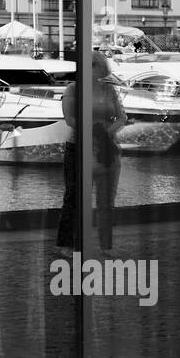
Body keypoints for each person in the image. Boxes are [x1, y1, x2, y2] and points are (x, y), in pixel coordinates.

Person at [56, 51, 125, 254]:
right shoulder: (73, 89)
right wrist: (93, 132)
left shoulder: (109, 90)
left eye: (99, 65)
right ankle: (66, 244)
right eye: (92, 65)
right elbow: (70, 119)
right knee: (74, 198)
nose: (96, 69)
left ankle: (106, 246)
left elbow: (122, 117)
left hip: (106, 149)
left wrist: (104, 134)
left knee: (106, 200)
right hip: (78, 147)